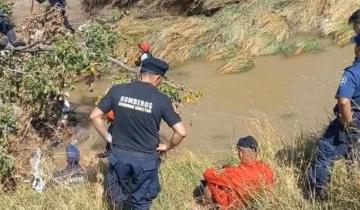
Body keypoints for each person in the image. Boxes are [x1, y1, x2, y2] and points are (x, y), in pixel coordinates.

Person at [90, 56, 186, 210]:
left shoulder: (118, 90)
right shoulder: (162, 100)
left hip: (119, 156)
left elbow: (94, 116)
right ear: (158, 78)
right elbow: (181, 132)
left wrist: (109, 138)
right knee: (141, 203)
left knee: (117, 199)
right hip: (145, 160)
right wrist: (167, 146)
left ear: (140, 73)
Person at [308, 38, 360, 199]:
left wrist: (348, 123)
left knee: (324, 154)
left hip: (353, 119)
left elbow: (344, 101)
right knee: (355, 154)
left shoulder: (352, 73)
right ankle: (354, 187)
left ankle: (315, 195)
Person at [194, 136, 274, 209]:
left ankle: (204, 207)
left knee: (210, 185)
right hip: (257, 204)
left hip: (238, 206)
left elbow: (208, 175)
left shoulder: (236, 173)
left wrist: (218, 170)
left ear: (241, 154)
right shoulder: (267, 169)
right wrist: (228, 169)